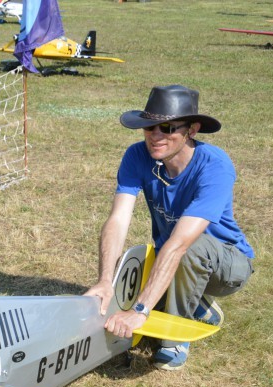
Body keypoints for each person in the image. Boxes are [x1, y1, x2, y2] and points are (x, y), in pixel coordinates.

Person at [83, 85, 255, 370]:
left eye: (167, 127)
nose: (156, 135)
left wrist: (140, 310)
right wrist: (105, 280)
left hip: (228, 266)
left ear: (192, 130)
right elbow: (118, 219)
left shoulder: (215, 166)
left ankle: (175, 336)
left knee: (187, 247)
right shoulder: (137, 156)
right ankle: (195, 302)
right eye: (149, 127)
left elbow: (181, 244)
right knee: (149, 266)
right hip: (179, 256)